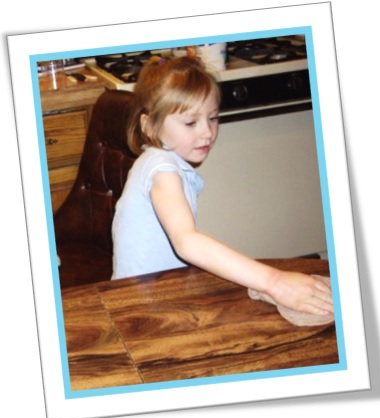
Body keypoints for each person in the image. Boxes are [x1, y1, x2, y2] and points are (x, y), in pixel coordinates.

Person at [111, 56, 333, 318]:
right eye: (191, 123)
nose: (207, 132)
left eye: (213, 118)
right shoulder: (161, 169)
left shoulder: (164, 162)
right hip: (138, 307)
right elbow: (187, 242)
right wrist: (275, 282)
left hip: (161, 293)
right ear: (151, 126)